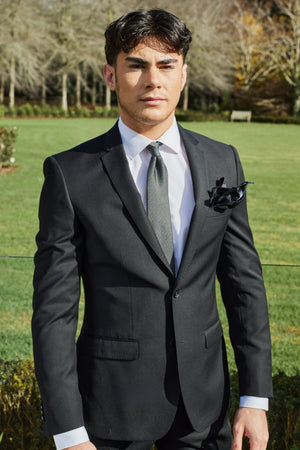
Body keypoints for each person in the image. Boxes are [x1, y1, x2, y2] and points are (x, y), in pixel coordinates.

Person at [32, 8, 273, 450]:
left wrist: (255, 398)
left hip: (206, 415)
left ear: (184, 74)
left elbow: (245, 287)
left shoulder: (224, 162)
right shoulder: (70, 175)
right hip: (111, 416)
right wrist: (68, 434)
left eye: (166, 65)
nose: (153, 80)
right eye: (136, 65)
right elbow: (54, 313)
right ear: (110, 75)